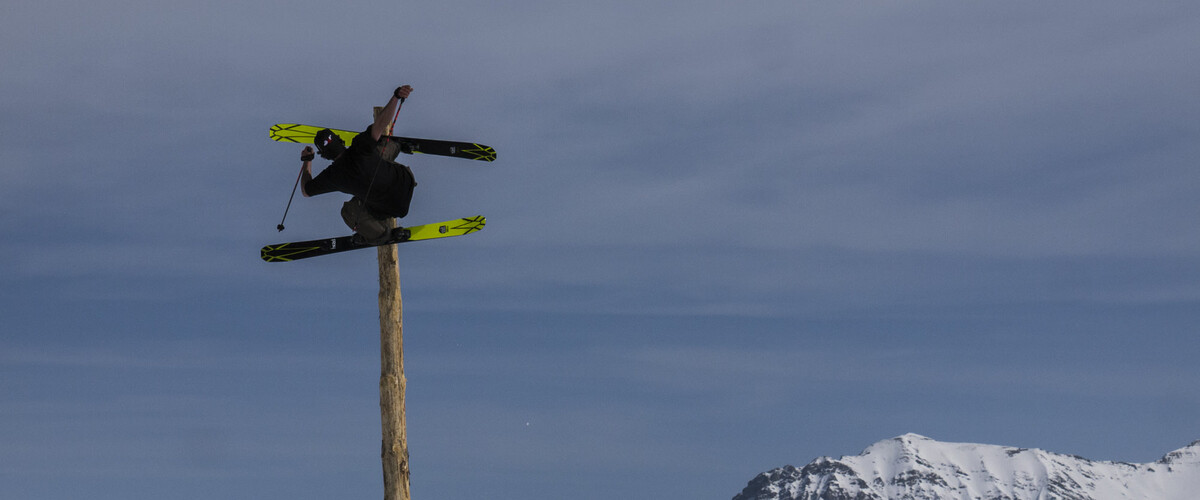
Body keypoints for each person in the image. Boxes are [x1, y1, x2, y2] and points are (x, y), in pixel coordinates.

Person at [299, 85, 417, 242]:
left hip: (396, 207)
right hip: (406, 180)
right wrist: (396, 97)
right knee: (377, 146)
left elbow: (306, 191)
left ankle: (384, 235)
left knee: (349, 210)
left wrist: (307, 161)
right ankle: (397, 145)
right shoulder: (359, 146)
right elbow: (381, 123)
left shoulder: (333, 176)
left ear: (325, 156)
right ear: (340, 141)